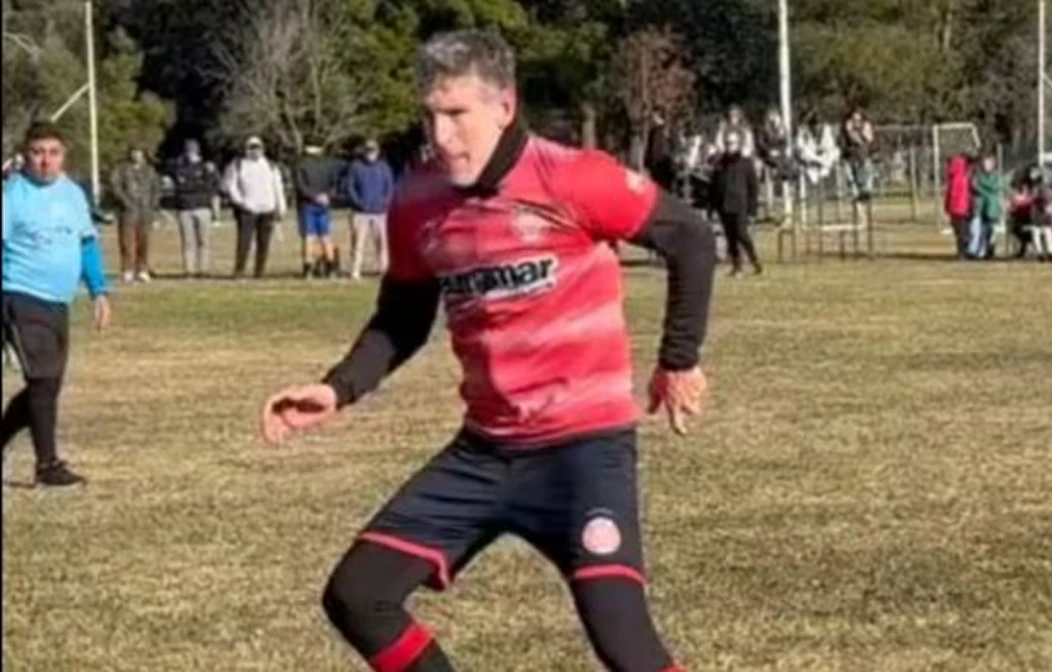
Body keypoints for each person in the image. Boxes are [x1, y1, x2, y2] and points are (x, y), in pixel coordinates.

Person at [259, 30, 713, 672]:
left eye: (456, 115)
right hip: (484, 454)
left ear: (504, 106)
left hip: (583, 453)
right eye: (429, 115)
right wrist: (338, 389)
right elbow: (404, 316)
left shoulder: (573, 177)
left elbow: (690, 238)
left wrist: (679, 359)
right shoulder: (416, 199)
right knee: (358, 596)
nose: (441, 136)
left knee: (625, 645)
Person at [2, 121, 112, 486]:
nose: (45, 161)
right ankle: (47, 466)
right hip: (20, 294)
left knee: (46, 384)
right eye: (37, 153)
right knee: (43, 379)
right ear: (25, 156)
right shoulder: (12, 195)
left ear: (63, 156)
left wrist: (99, 291)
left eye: (53, 153)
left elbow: (86, 243)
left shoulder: (73, 194)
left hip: (58, 300)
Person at [223, 136, 288, 278]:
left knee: (264, 243)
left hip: (267, 209)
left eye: (257, 148)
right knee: (244, 242)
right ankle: (239, 270)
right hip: (248, 209)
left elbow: (277, 187)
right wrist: (240, 201)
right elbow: (230, 185)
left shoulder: (270, 166)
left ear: (262, 149)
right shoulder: (238, 164)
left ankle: (260, 271)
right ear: (246, 149)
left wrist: (281, 206)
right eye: (252, 148)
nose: (255, 151)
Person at [711, 130, 762, 276]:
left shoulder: (745, 163)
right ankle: (737, 266)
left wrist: (752, 210)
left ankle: (754, 260)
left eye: (732, 143)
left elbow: (753, 188)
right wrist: (713, 205)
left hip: (740, 205)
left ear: (738, 144)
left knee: (742, 234)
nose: (729, 146)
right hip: (724, 205)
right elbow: (714, 185)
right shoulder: (720, 163)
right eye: (727, 143)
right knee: (730, 237)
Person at [170, 139, 222, 277]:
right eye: (188, 150)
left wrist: (193, 186)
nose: (190, 152)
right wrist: (196, 185)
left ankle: (204, 269)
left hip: (203, 207)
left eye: (193, 150)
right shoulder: (179, 167)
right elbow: (180, 187)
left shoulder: (207, 167)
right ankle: (189, 270)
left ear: (198, 151)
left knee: (204, 241)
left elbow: (213, 186)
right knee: (188, 241)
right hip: (185, 208)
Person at [109, 147, 161, 282]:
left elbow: (156, 189)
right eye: (134, 152)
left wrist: (153, 206)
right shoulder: (121, 170)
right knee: (127, 242)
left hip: (145, 211)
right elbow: (115, 186)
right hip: (128, 212)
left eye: (139, 152)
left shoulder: (150, 171)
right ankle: (127, 269)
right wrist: (125, 201)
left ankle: (142, 269)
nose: (137, 155)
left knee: (144, 241)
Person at [346, 139, 396, 280]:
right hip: (360, 212)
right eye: (368, 151)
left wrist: (384, 203)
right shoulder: (355, 167)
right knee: (358, 243)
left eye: (373, 151)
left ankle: (384, 270)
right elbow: (350, 187)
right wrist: (358, 202)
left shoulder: (384, 167)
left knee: (382, 244)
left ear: (377, 151)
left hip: (380, 213)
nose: (370, 154)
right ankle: (355, 270)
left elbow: (390, 187)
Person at [294, 145, 342, 278]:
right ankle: (331, 266)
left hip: (308, 204)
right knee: (325, 236)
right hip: (324, 204)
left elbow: (300, 185)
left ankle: (308, 267)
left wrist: (313, 196)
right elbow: (334, 184)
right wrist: (327, 196)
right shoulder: (327, 165)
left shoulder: (301, 165)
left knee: (309, 237)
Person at [970, 152, 1004, 260]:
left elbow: (995, 188)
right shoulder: (979, 176)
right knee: (982, 231)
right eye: (984, 163)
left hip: (993, 208)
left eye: (988, 163)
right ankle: (981, 252)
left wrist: (982, 187)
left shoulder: (997, 176)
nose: (986, 165)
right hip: (982, 207)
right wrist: (982, 188)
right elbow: (975, 186)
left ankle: (990, 251)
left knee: (991, 231)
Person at [944, 153, 973, 259]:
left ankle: (963, 252)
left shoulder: (955, 179)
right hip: (961, 209)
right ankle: (963, 253)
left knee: (962, 233)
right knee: (963, 233)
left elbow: (950, 195)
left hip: (958, 209)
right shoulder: (961, 178)